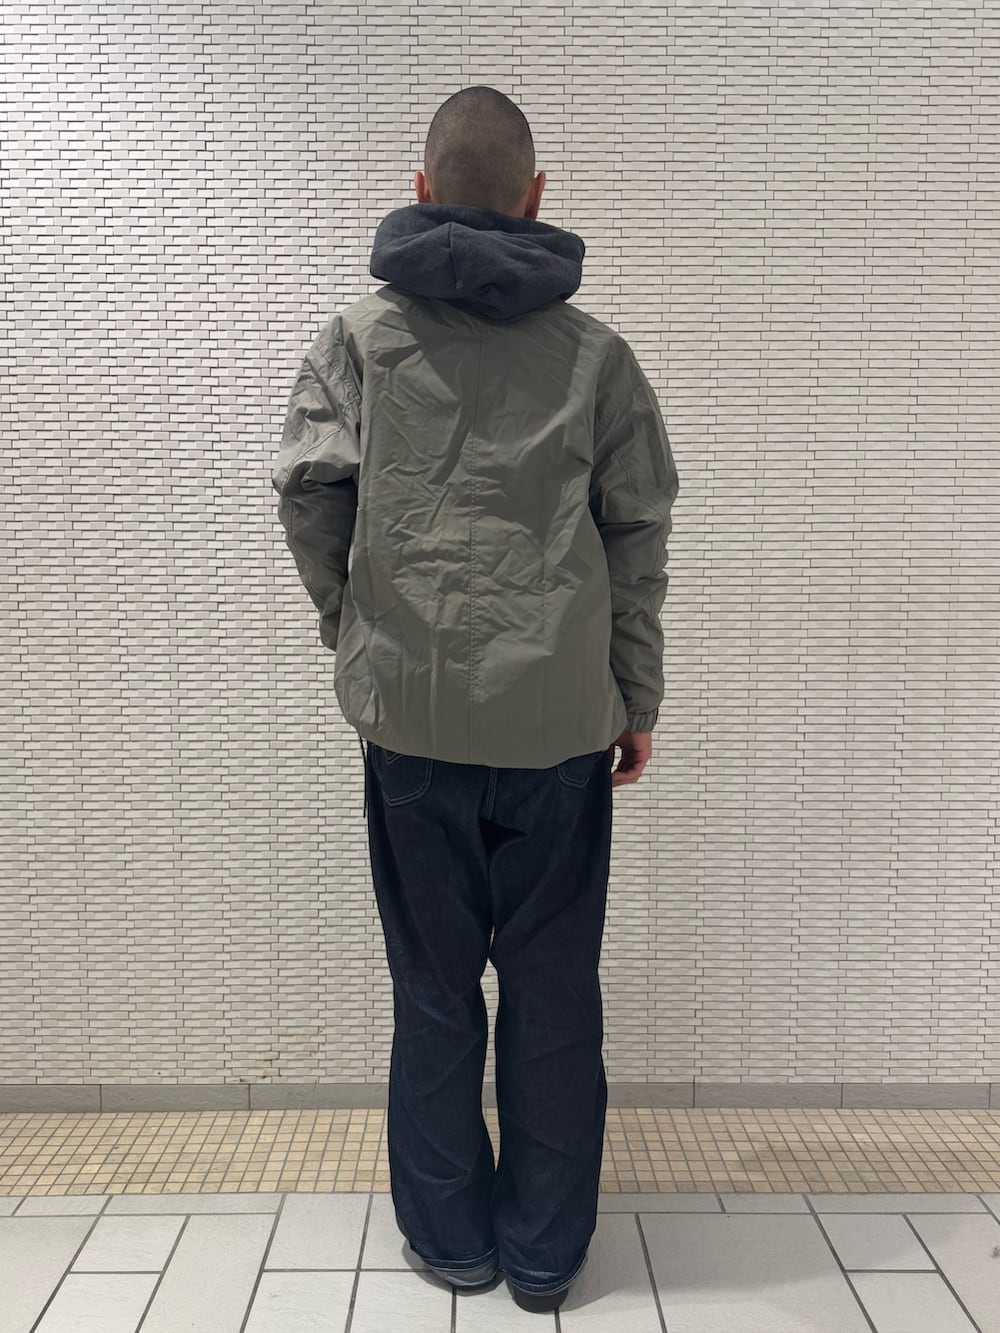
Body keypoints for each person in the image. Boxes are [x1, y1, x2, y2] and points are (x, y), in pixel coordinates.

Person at [271, 85, 680, 1314]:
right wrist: (634, 694)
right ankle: (545, 1252)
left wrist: (354, 631)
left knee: (433, 985)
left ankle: (452, 1238)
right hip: (560, 729)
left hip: (410, 724)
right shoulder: (597, 357)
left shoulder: (359, 339)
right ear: (536, 198)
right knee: (552, 990)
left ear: (421, 189)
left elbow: (308, 495)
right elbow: (637, 536)